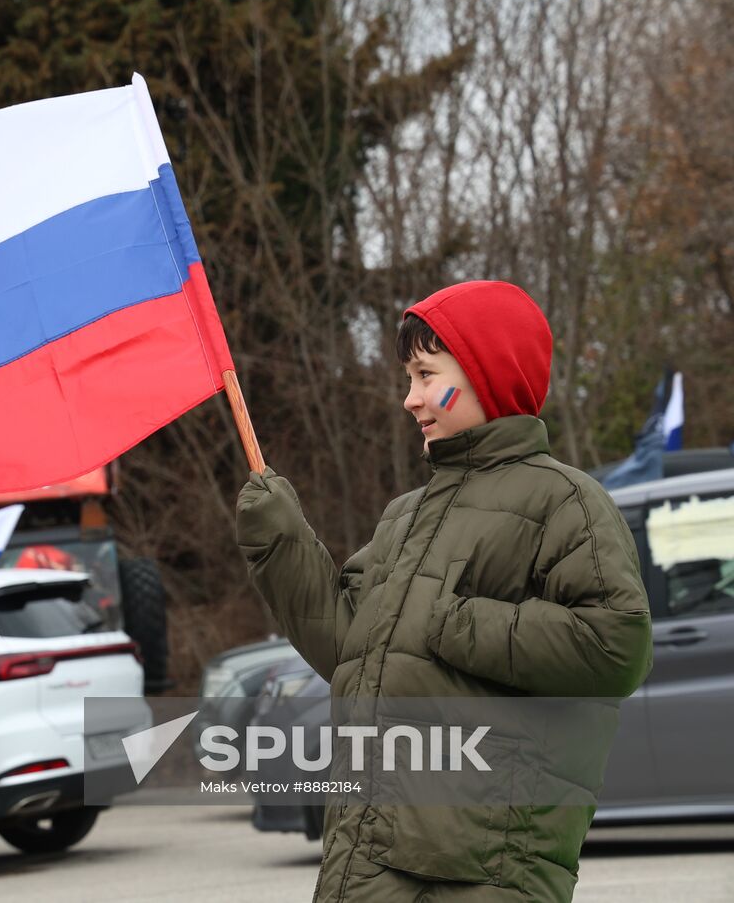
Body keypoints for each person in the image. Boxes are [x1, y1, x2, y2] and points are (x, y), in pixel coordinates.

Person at [237, 280, 653, 902]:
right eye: (410, 378)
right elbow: (349, 647)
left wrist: (451, 623)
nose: (411, 398)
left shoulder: (564, 501)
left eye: (426, 375)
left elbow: (615, 646)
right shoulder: (407, 514)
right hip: (363, 863)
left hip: (480, 875)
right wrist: (280, 541)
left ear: (487, 373)